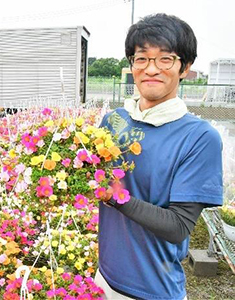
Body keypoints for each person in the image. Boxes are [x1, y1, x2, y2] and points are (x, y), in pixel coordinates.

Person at [95, 13, 223, 300]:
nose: (151, 68)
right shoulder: (113, 121)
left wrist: (115, 197)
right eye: (142, 58)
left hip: (153, 290)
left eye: (165, 59)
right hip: (102, 278)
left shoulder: (199, 137)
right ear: (132, 65)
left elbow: (178, 227)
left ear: (185, 67)